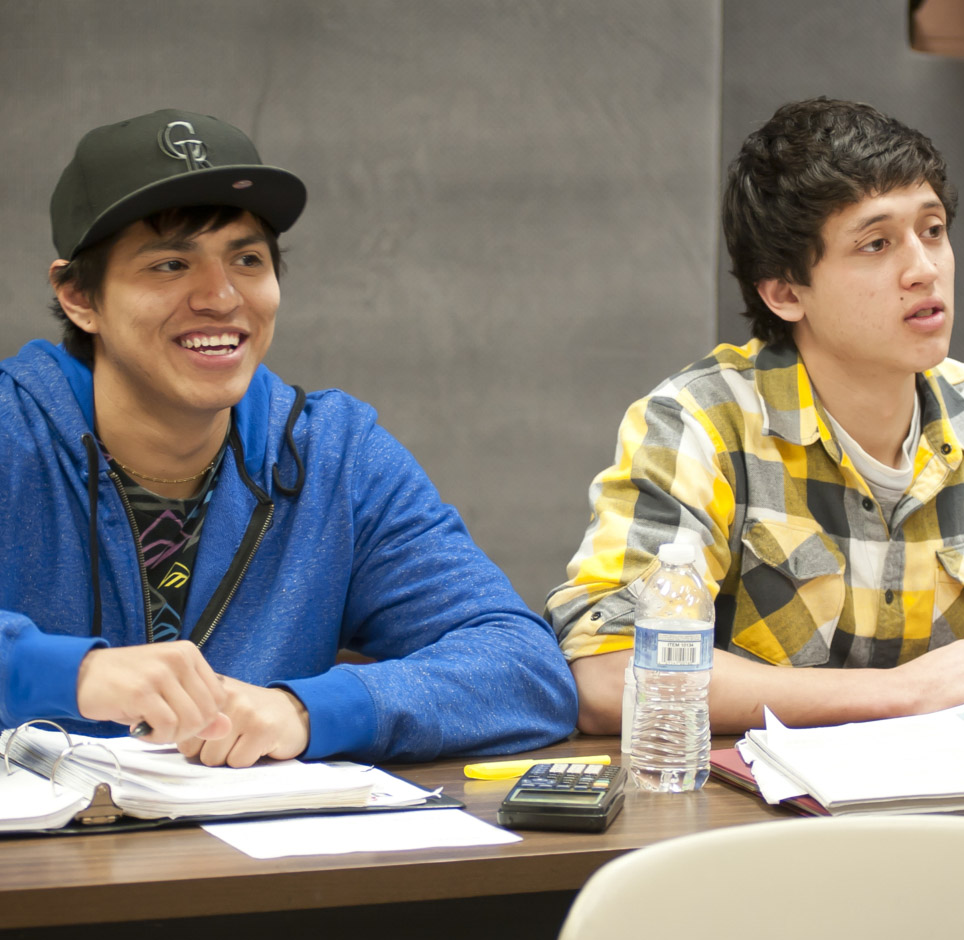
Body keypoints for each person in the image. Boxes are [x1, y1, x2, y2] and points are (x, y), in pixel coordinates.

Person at [0, 108, 577, 767]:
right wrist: (68, 675)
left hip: (252, 863)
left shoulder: (336, 454)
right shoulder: (13, 429)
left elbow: (524, 666)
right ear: (79, 296)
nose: (220, 297)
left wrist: (308, 712)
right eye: (169, 265)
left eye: (247, 259)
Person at [547, 96, 964, 735]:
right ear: (785, 292)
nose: (925, 269)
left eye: (932, 231)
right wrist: (894, 694)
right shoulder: (700, 424)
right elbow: (611, 676)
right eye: (877, 244)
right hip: (763, 819)